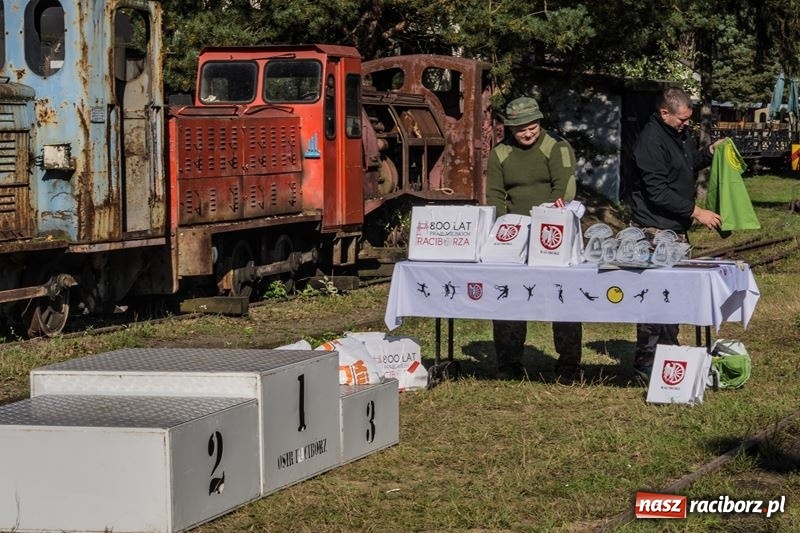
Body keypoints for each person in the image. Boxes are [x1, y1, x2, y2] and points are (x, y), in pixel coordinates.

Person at [629, 86, 725, 378]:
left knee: (674, 295)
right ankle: (646, 361)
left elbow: (684, 166)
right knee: (654, 297)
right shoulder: (650, 142)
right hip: (654, 231)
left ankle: (669, 351)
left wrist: (707, 154)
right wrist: (697, 212)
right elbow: (657, 192)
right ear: (664, 113)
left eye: (688, 119)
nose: (686, 124)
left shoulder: (677, 135)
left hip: (674, 231)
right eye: (682, 119)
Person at [485, 96, 583, 381]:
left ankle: (568, 366)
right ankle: (509, 364)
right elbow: (494, 194)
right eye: (520, 129)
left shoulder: (557, 147)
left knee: (562, 298)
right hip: (514, 233)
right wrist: (503, 229)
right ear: (509, 129)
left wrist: (545, 222)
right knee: (508, 297)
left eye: (532, 127)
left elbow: (563, 188)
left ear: (539, 123)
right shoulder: (500, 153)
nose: (527, 133)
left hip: (554, 231)